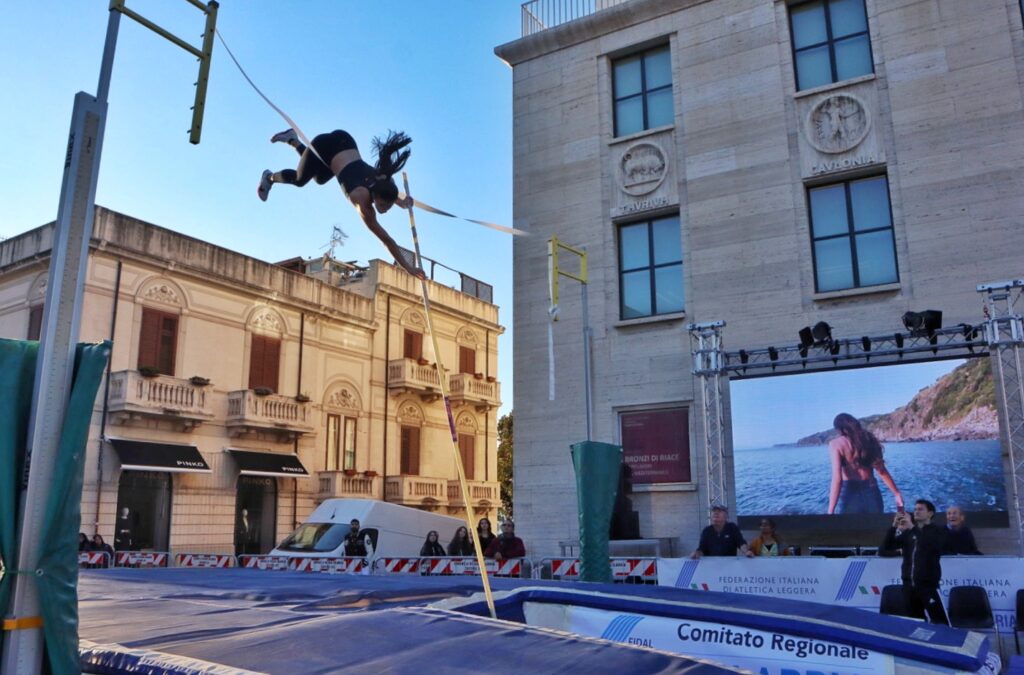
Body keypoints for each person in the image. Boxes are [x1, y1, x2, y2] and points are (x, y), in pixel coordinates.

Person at [258, 128, 424, 279]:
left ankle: (293, 139)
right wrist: (409, 268)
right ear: (375, 196)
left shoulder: (385, 180)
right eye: (383, 206)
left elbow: (387, 190)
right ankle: (270, 177)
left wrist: (401, 202)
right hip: (325, 146)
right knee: (300, 179)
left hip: (345, 142)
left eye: (388, 206)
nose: (385, 210)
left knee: (320, 178)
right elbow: (387, 241)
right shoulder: (362, 203)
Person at [881, 499, 949, 625]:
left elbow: (928, 544)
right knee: (915, 622)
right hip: (908, 586)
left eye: (921, 509)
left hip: (927, 586)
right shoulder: (909, 534)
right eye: (915, 509)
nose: (916, 512)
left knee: (940, 621)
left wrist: (912, 527)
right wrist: (893, 527)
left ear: (930, 513)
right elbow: (884, 549)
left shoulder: (938, 531)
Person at [827, 413, 903, 514]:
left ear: (839, 429)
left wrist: (830, 510)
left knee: (851, 529)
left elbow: (837, 479)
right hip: (871, 491)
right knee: (876, 528)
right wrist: (896, 493)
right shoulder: (868, 440)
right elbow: (881, 471)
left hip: (850, 493)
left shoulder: (836, 444)